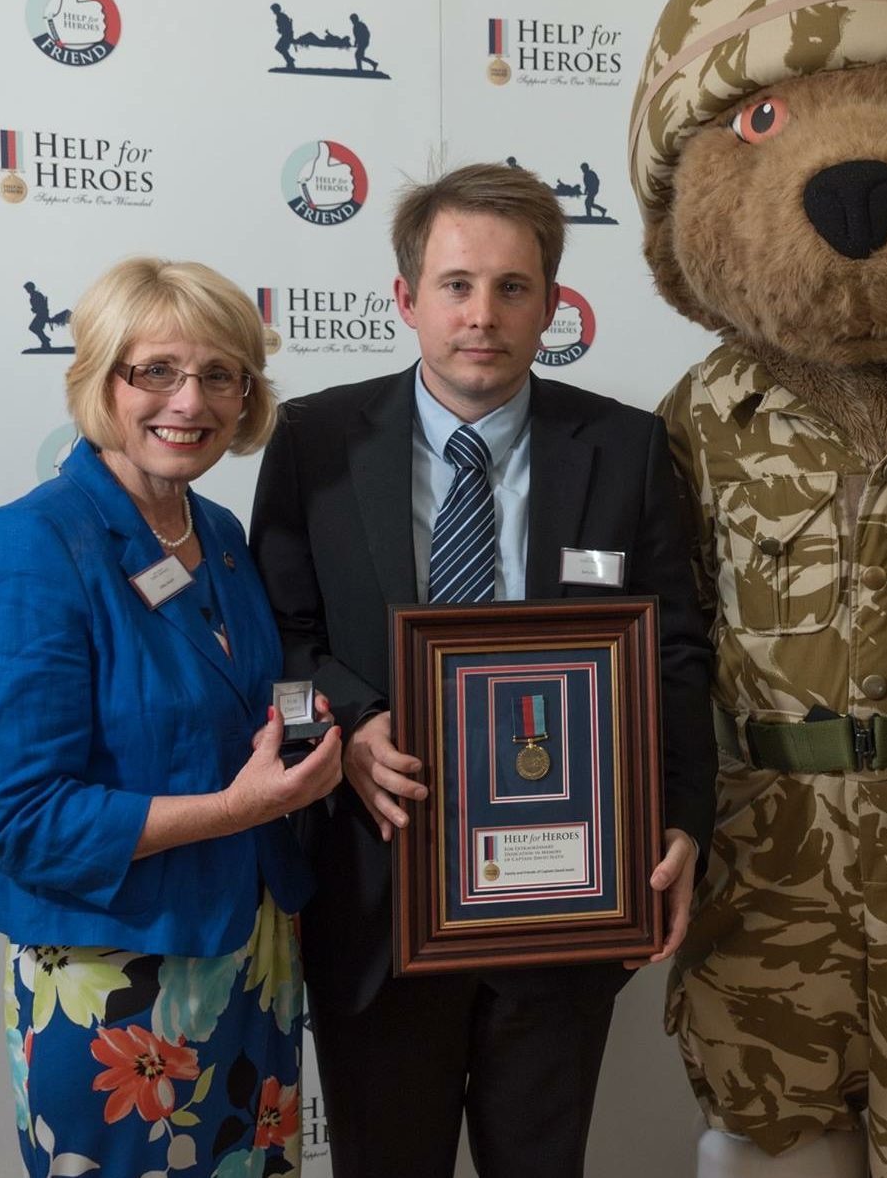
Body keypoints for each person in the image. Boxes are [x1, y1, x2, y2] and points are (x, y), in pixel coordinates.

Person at [249, 163, 715, 1178]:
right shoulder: (314, 444)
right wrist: (343, 725)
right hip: (376, 892)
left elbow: (673, 653)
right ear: (406, 299)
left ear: (551, 304)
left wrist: (684, 822)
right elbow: (276, 649)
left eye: (513, 288)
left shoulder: (625, 449)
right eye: (456, 285)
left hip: (563, 903)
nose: (483, 315)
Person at [0, 258, 344, 1177]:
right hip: (116, 992)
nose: (190, 399)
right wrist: (238, 808)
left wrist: (307, 720)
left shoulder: (221, 538)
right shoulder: (31, 544)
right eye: (156, 370)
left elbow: (233, 708)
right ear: (101, 382)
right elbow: (19, 820)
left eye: (219, 375)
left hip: (251, 965)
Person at [272, 2, 296, 70]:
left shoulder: (281, 16)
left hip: (287, 35)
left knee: (279, 47)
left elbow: (286, 27)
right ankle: (290, 61)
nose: (273, 11)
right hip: (286, 35)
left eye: (273, 10)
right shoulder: (281, 16)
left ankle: (290, 61)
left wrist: (280, 30)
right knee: (281, 48)